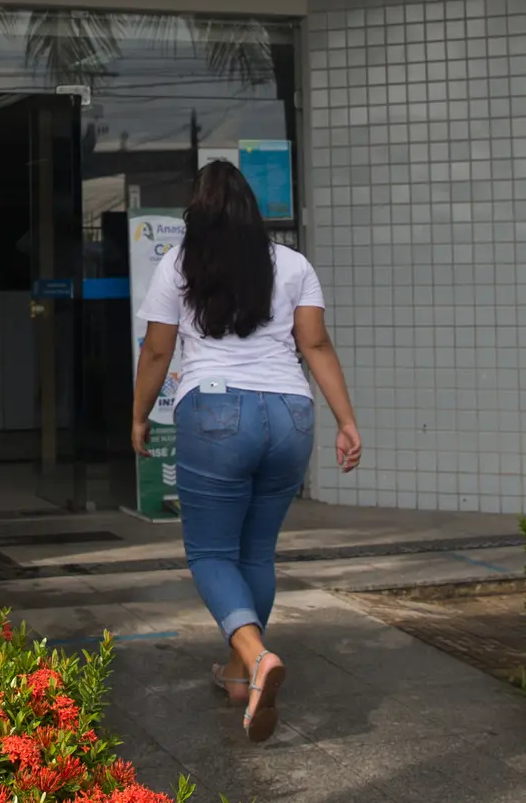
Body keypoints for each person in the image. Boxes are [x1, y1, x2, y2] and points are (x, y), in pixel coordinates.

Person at [132, 161, 363, 743]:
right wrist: (346, 419)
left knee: (211, 553)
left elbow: (158, 352)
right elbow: (314, 343)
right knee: (256, 551)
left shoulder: (179, 263)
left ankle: (256, 657)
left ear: (197, 212)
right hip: (290, 412)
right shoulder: (293, 264)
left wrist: (138, 415)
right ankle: (238, 675)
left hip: (214, 413)